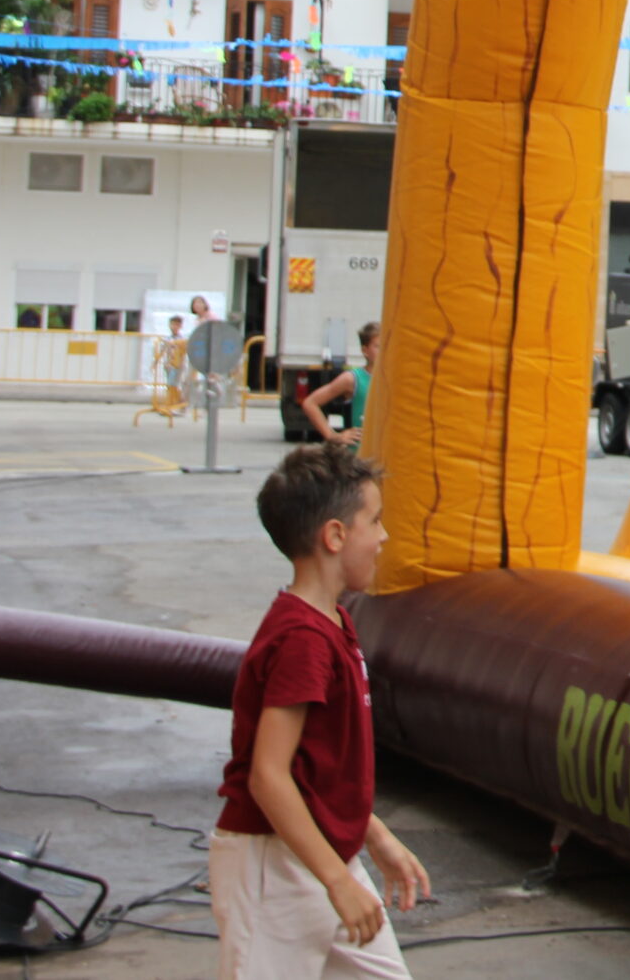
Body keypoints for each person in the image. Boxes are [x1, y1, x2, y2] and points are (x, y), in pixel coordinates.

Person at [213, 444, 429, 975]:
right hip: (275, 864)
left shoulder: (331, 620)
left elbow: (322, 770)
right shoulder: (302, 640)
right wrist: (336, 880)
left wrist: (374, 837)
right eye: (374, 521)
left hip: (324, 854)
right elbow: (269, 776)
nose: (383, 537)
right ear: (334, 536)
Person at [300, 323, 378, 447]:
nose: (384, 350)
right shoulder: (352, 379)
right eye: (377, 346)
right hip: (359, 459)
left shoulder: (395, 379)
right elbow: (310, 403)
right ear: (365, 350)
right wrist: (333, 436)